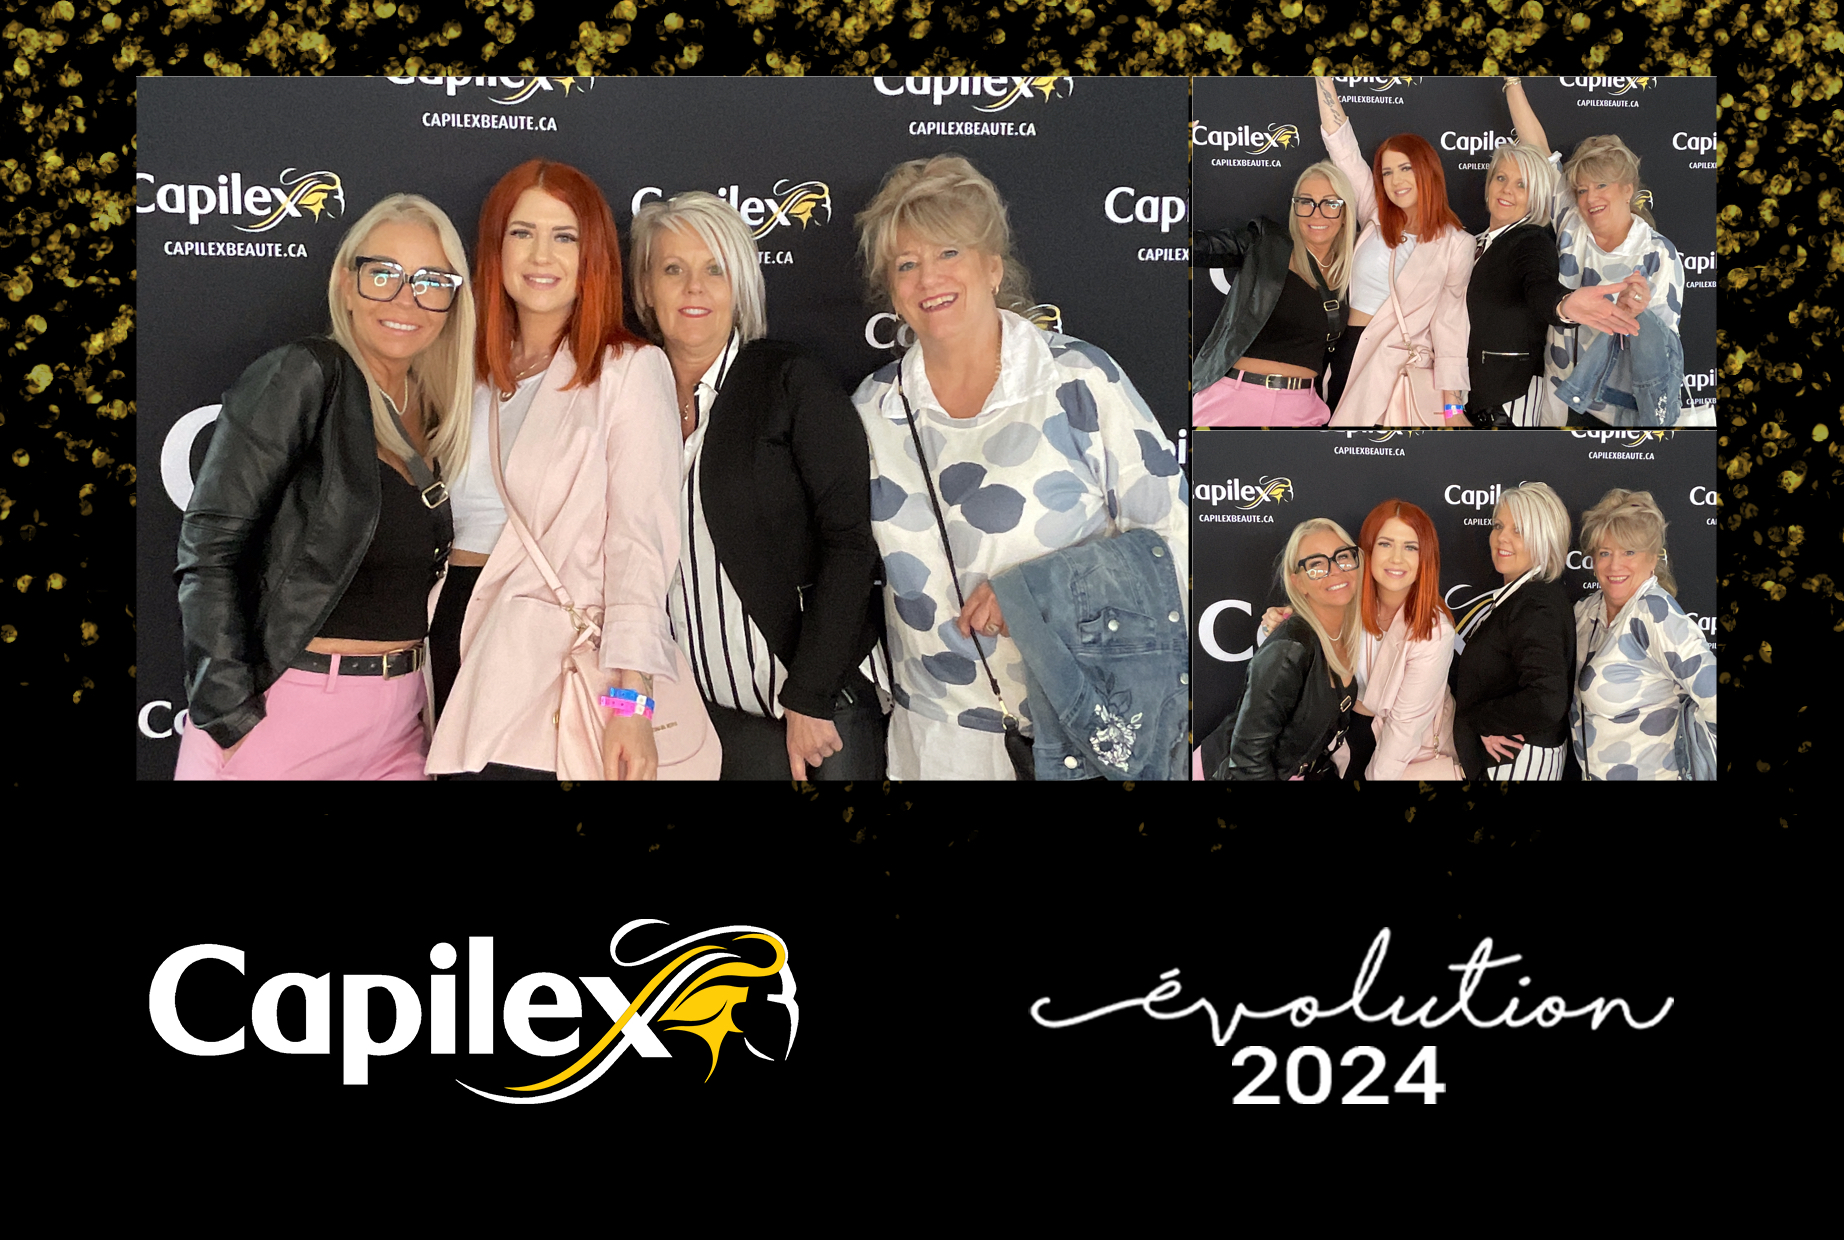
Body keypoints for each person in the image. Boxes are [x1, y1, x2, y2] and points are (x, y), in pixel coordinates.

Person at [851, 154, 1189, 780]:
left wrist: (1038, 593)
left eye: (948, 252)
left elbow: (1175, 542)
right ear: (892, 291)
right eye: (906, 263)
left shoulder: (1077, 379)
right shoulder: (872, 410)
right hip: (937, 743)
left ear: (993, 267)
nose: (928, 278)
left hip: (1085, 731)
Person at [174, 193, 474, 780]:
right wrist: (229, 714)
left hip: (401, 721)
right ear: (345, 281)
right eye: (383, 274)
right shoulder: (304, 374)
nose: (406, 299)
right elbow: (208, 549)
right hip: (291, 712)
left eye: (430, 281)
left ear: (451, 300)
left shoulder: (430, 408)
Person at [427, 159, 683, 781]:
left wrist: (632, 704)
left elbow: (640, 546)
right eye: (522, 232)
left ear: (592, 253)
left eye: (564, 236)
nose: (541, 255)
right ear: (496, 247)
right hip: (450, 632)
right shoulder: (463, 369)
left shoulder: (629, 369)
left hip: (549, 663)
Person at [628, 190, 889, 781]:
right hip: (691, 721)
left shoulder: (789, 379)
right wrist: (628, 710)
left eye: (714, 270)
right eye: (673, 270)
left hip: (815, 715)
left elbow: (850, 543)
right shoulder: (626, 399)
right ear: (646, 289)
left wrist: (811, 696)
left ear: (740, 286)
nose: (694, 288)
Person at [1504, 78, 1686, 427]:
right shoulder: (1572, 221)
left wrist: (1638, 314)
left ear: (1628, 189)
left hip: (1616, 412)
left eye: (1601, 185)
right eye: (1582, 189)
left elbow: (1665, 350)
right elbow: (1537, 148)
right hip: (1559, 398)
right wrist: (1511, 82)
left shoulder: (1658, 253)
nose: (1590, 198)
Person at [1314, 75, 1473, 426]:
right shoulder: (1375, 213)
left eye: (1405, 168)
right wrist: (1322, 77)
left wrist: (1453, 410)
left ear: (1427, 171)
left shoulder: (1457, 243)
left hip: (1396, 369)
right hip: (1347, 351)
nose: (1396, 180)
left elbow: (1450, 327)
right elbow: (1342, 147)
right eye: (1387, 173)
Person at [1464, 141, 1645, 427]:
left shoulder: (1531, 241)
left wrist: (1564, 305)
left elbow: (1540, 286)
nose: (1507, 190)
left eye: (1522, 185)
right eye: (1501, 178)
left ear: (1536, 195)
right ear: (1489, 184)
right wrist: (1450, 405)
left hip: (1507, 404)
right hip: (1464, 399)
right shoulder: (1473, 244)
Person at [1191, 160, 1359, 426]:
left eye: (1330, 203)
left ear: (1345, 213)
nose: (1316, 214)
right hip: (1232, 400)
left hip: (1303, 411)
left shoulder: (1352, 271)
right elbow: (1202, 246)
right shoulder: (1266, 243)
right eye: (1306, 202)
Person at [1572, 489, 1718, 779]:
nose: (1615, 565)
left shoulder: (1655, 613)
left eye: (1629, 552)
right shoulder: (1585, 612)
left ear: (1653, 558)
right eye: (1605, 553)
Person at [1212, 518, 1360, 780]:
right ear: (1298, 582)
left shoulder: (1350, 632)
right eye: (1316, 565)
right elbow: (1247, 763)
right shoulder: (1289, 650)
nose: (1335, 570)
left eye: (1342, 557)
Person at [1448, 482, 1577, 780]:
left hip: (1518, 763)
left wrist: (1483, 721)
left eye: (1519, 530)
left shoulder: (1536, 605)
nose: (1501, 537)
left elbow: (1547, 700)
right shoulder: (1523, 597)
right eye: (1498, 526)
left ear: (1544, 538)